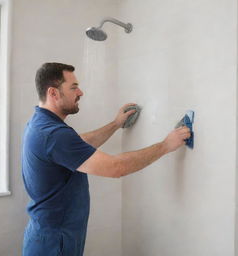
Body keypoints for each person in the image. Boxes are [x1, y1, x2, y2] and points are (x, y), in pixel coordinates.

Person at [21, 62, 190, 256]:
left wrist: (116, 124)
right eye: (74, 87)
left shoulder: (42, 124)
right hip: (54, 243)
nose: (81, 92)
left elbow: (79, 143)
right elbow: (116, 168)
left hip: (48, 235)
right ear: (53, 93)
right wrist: (166, 145)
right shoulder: (53, 134)